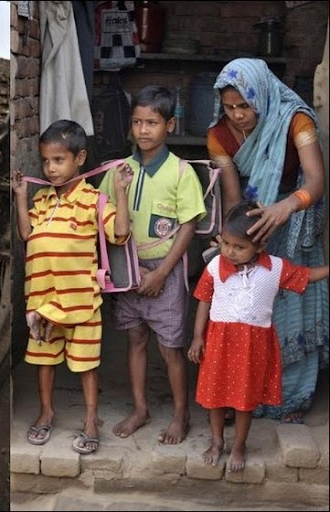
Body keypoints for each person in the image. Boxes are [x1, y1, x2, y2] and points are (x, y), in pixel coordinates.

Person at [206, 58, 328, 424]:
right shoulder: (219, 135)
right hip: (250, 223)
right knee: (247, 314)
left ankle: (290, 399)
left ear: (261, 97)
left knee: (289, 311)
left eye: (245, 105)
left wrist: (285, 208)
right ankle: (243, 397)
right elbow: (232, 197)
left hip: (293, 218)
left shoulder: (294, 119)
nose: (238, 115)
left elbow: (317, 181)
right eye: (229, 107)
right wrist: (231, 238)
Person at [11, 119, 133, 455]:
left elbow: (120, 233)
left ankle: (91, 419)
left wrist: (120, 192)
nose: (50, 168)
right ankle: (46, 411)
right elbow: (26, 234)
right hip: (42, 300)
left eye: (58, 160)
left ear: (79, 159)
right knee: (44, 361)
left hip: (80, 301)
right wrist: (22, 198)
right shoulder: (43, 200)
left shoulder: (93, 199)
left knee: (85, 364)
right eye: (46, 161)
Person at [98, 85, 206, 444]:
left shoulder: (180, 172)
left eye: (152, 122)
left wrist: (161, 272)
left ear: (169, 125)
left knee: (169, 346)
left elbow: (188, 226)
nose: (143, 130)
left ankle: (180, 413)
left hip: (166, 268)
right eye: (137, 122)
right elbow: (104, 219)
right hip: (127, 266)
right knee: (136, 338)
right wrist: (129, 267)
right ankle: (141, 408)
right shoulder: (118, 171)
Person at [188, 200, 329, 472]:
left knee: (245, 400)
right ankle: (217, 442)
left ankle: (239, 445)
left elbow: (307, 275)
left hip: (253, 347)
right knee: (214, 396)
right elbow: (204, 300)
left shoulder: (274, 268)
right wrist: (197, 336)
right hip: (219, 343)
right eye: (227, 243)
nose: (230, 251)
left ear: (260, 246)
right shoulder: (215, 267)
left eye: (239, 247)